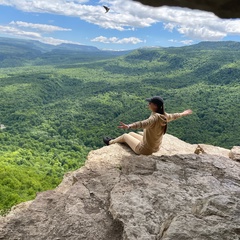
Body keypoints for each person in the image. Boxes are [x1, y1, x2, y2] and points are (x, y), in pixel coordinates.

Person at [103, 96, 192, 155]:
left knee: (126, 136)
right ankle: (117, 140)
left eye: (150, 103)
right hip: (155, 147)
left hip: (145, 150)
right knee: (131, 134)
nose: (148, 104)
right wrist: (183, 113)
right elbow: (175, 116)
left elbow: (143, 123)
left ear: (155, 106)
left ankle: (110, 142)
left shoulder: (154, 117)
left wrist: (129, 126)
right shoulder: (164, 116)